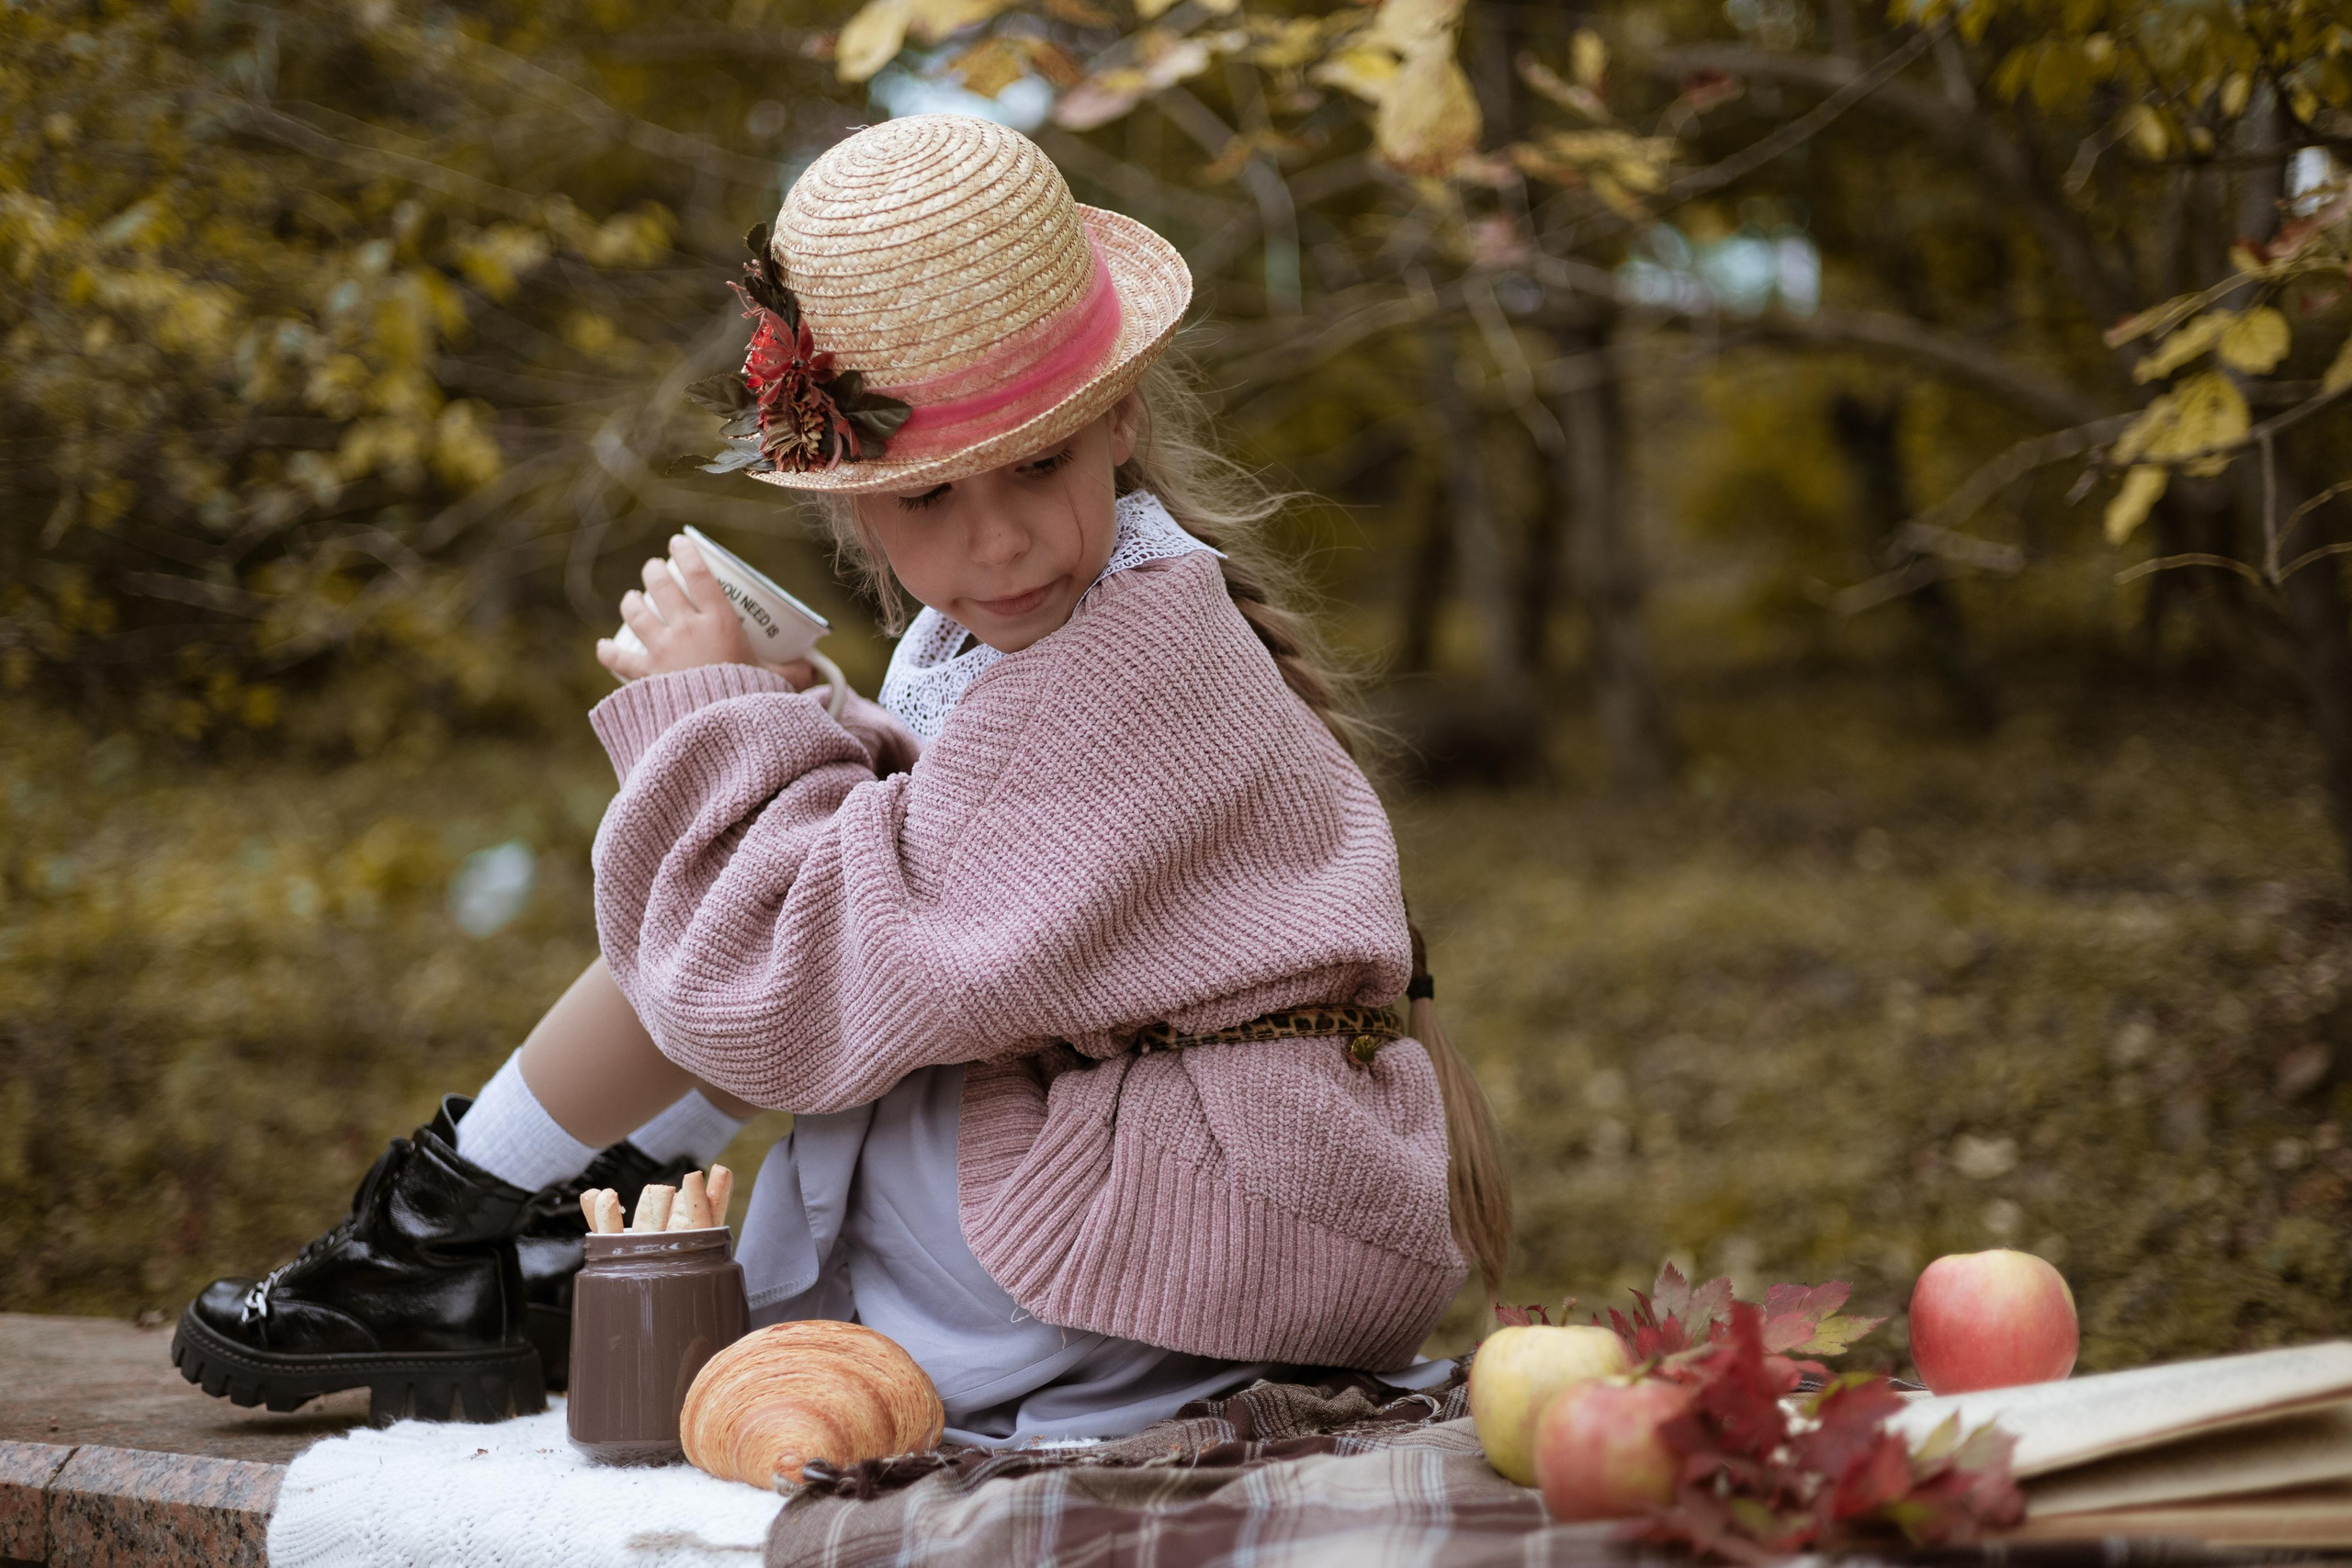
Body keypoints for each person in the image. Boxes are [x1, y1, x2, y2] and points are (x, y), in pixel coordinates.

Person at [173, 113, 1510, 1443]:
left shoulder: (1141, 660)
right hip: (1222, 1200)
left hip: (1174, 1241)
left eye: (1037, 465)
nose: (998, 544)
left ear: (1119, 421)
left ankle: (459, 1225)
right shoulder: (1102, 609)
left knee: (761, 926)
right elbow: (961, 855)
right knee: (776, 898)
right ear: (850, 503)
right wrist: (794, 714)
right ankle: (532, 1222)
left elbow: (810, 976)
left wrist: (711, 722)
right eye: (932, 499)